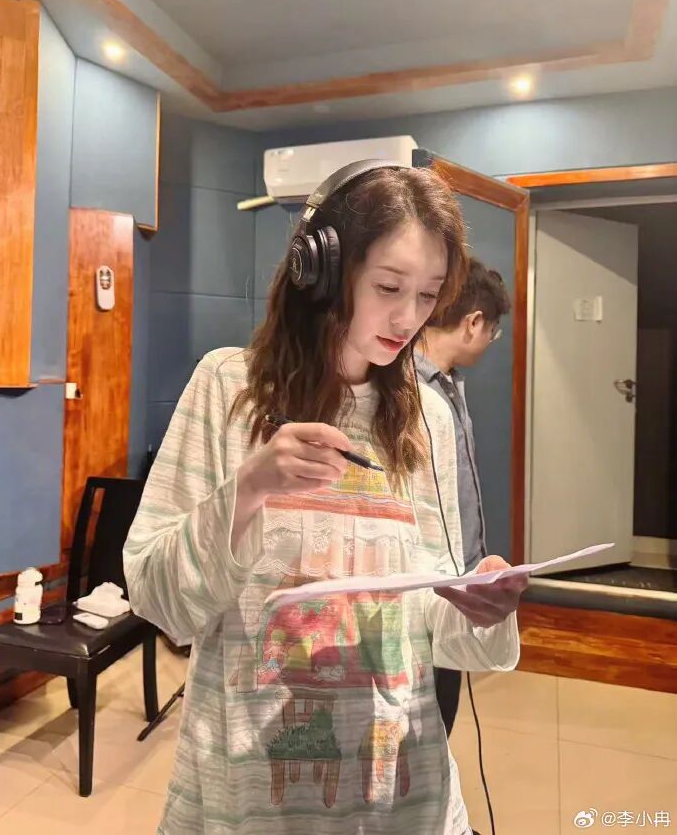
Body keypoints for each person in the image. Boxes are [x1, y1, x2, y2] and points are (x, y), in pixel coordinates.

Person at [123, 163, 527, 835]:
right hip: (250, 795)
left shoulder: (426, 417)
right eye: (389, 287)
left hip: (400, 792)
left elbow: (429, 624)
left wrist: (480, 609)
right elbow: (158, 598)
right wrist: (250, 488)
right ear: (322, 270)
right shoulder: (226, 389)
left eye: (428, 296)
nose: (408, 318)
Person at [415, 258, 512, 740]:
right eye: (493, 330)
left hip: (458, 584)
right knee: (427, 719)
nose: (491, 340)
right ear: (474, 322)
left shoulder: (449, 384)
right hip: (426, 592)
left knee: (443, 714)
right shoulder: (406, 390)